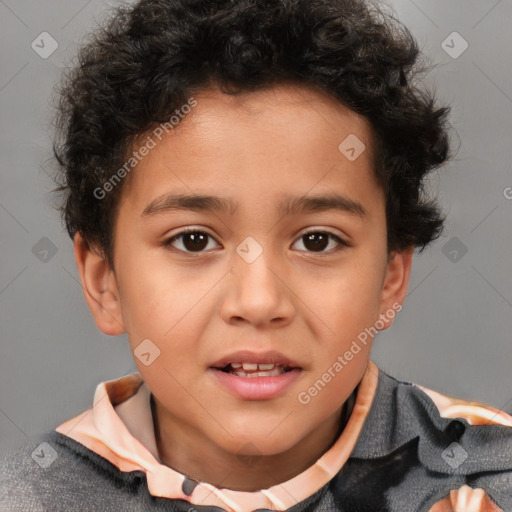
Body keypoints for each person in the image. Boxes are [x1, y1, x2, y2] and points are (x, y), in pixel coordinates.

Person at [2, 0, 511, 510]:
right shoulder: (29, 497)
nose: (260, 300)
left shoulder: (487, 481)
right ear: (103, 280)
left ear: (390, 278)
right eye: (193, 240)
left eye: (317, 240)